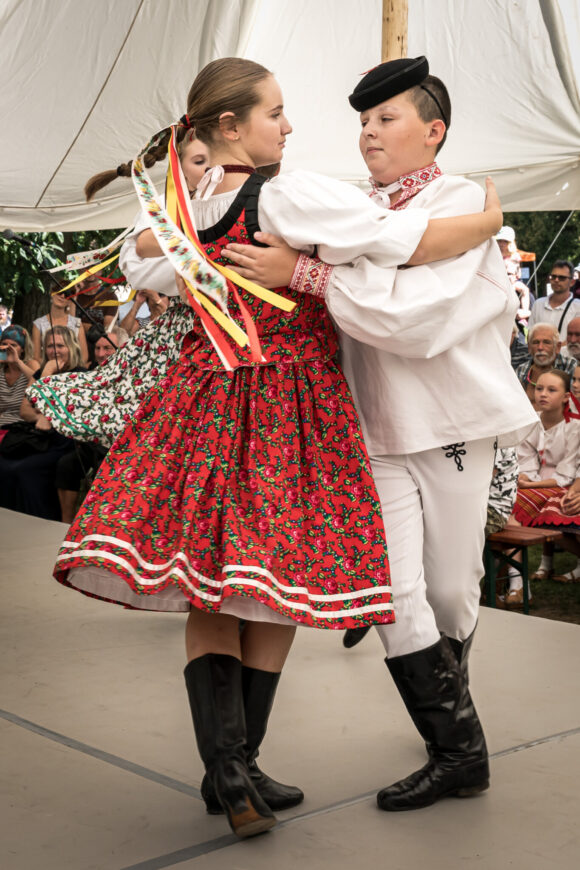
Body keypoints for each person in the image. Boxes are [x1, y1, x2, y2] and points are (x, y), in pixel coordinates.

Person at [27, 57, 504, 837]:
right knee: (273, 580)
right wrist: (487, 225)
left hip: (203, 405)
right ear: (229, 127)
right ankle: (244, 769)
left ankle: (230, 772)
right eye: (276, 113)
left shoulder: (183, 216)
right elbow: (395, 242)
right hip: (287, 406)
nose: (289, 126)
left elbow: (148, 265)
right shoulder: (284, 193)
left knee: (210, 586)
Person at [221, 56, 538, 812]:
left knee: (454, 590)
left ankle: (453, 723)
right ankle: (456, 750)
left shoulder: (459, 204)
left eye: (385, 119)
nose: (368, 131)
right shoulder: (355, 210)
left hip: (451, 423)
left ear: (433, 132)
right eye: (363, 120)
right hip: (375, 428)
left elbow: (416, 319)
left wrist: (307, 274)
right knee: (394, 593)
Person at [505, 370, 580, 603]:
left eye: (551, 390)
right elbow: (525, 458)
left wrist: (528, 485)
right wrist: (525, 478)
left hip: (559, 484)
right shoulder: (531, 421)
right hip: (536, 484)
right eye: (539, 389)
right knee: (509, 507)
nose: (543, 394)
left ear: (566, 397)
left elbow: (566, 474)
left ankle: (517, 582)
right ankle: (516, 583)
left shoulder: (574, 427)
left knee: (541, 510)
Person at [0, 326, 84, 520]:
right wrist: (39, 416)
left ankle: (36, 519)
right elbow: (26, 409)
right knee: (3, 465)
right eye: (50, 346)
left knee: (22, 470)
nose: (54, 351)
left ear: (71, 347)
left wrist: (48, 415)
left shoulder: (80, 375)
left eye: (60, 346)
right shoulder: (44, 372)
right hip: (37, 437)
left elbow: (69, 412)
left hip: (63, 441)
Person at [515, 323, 576, 407]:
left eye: (546, 342)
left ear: (557, 347)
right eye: (536, 342)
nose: (540, 347)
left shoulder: (571, 366)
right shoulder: (521, 370)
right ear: (529, 347)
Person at [32, 288, 89, 365]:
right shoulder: (38, 324)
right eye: (60, 292)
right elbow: (36, 357)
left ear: (70, 300)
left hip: (72, 370)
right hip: (47, 370)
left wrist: (68, 369)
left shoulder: (77, 323)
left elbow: (84, 356)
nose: (62, 296)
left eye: (67, 294)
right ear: (52, 293)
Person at [528, 260, 580, 340]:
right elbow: (531, 334)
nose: (556, 280)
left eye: (562, 278)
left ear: (572, 282)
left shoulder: (577, 306)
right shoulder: (538, 304)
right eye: (553, 276)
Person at [0, 325, 39, 428]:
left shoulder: (31, 364)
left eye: (13, 345)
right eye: (4, 344)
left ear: (22, 349)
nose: (8, 348)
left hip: (23, 427)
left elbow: (41, 383)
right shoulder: (1, 371)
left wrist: (18, 362)